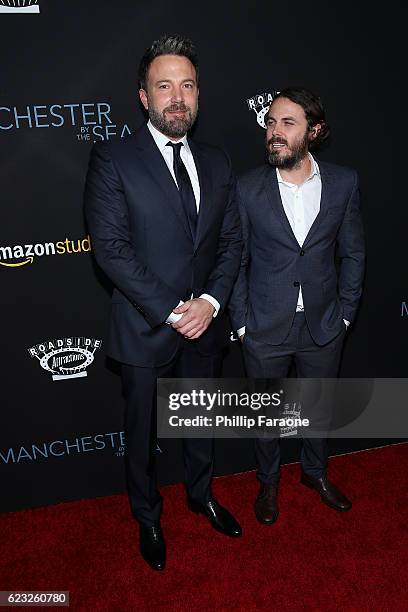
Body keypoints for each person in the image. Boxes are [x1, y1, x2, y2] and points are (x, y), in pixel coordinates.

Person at [84, 35, 242, 571]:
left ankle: (201, 495)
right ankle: (147, 516)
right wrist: (178, 308)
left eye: (188, 86)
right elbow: (111, 249)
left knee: (200, 421)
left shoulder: (218, 161)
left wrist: (213, 303)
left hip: (208, 325)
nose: (178, 98)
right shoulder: (113, 157)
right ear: (144, 97)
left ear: (198, 95)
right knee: (142, 431)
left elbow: (230, 243)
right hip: (148, 325)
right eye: (165, 86)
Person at [229, 87, 365, 525]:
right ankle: (268, 482)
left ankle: (315, 473)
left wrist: (345, 313)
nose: (275, 132)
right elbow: (236, 258)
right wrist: (243, 324)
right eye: (271, 122)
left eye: (287, 123)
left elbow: (354, 253)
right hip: (265, 326)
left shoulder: (344, 182)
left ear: (315, 130)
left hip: (324, 324)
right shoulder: (248, 189)